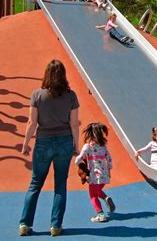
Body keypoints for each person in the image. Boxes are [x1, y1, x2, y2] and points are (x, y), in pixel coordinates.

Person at [19, 59, 80, 237]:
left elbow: (32, 122)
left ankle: (25, 224)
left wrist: (25, 143)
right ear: (63, 75)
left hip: (43, 142)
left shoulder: (37, 95)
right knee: (60, 185)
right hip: (64, 142)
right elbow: (74, 124)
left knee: (35, 183)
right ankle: (55, 226)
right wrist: (77, 146)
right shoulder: (71, 96)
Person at [75, 122, 115, 223]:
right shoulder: (103, 147)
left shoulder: (87, 147)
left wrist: (83, 167)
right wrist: (109, 171)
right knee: (97, 191)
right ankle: (106, 198)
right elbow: (109, 158)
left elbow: (78, 160)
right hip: (104, 175)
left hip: (94, 175)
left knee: (93, 195)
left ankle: (100, 214)